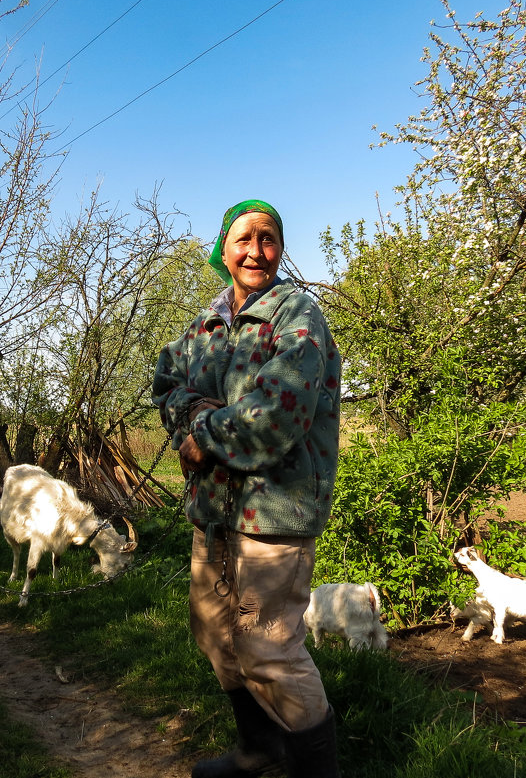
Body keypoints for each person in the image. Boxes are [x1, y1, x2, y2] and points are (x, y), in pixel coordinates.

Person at [152, 199, 341, 778]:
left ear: (280, 249)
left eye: (268, 239)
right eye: (244, 239)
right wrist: (198, 413)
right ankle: (261, 752)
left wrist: (203, 433)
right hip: (214, 508)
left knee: (269, 649)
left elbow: (281, 411)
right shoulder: (205, 326)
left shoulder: (297, 316)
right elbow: (166, 385)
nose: (256, 251)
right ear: (223, 248)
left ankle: (318, 772)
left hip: (273, 511)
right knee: (216, 636)